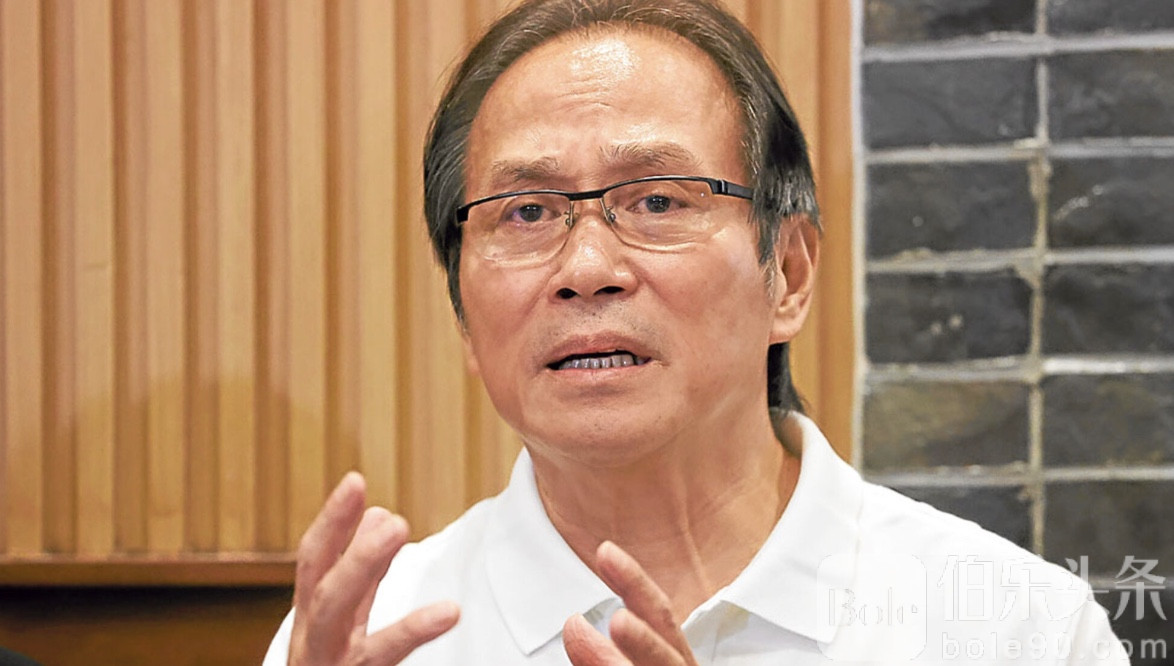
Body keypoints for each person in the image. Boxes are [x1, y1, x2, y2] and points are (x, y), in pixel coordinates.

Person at [265, 0, 1128, 663]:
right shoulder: (378, 633)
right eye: (526, 211)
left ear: (788, 274)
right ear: (462, 309)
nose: (585, 266)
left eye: (655, 200)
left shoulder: (1016, 629)